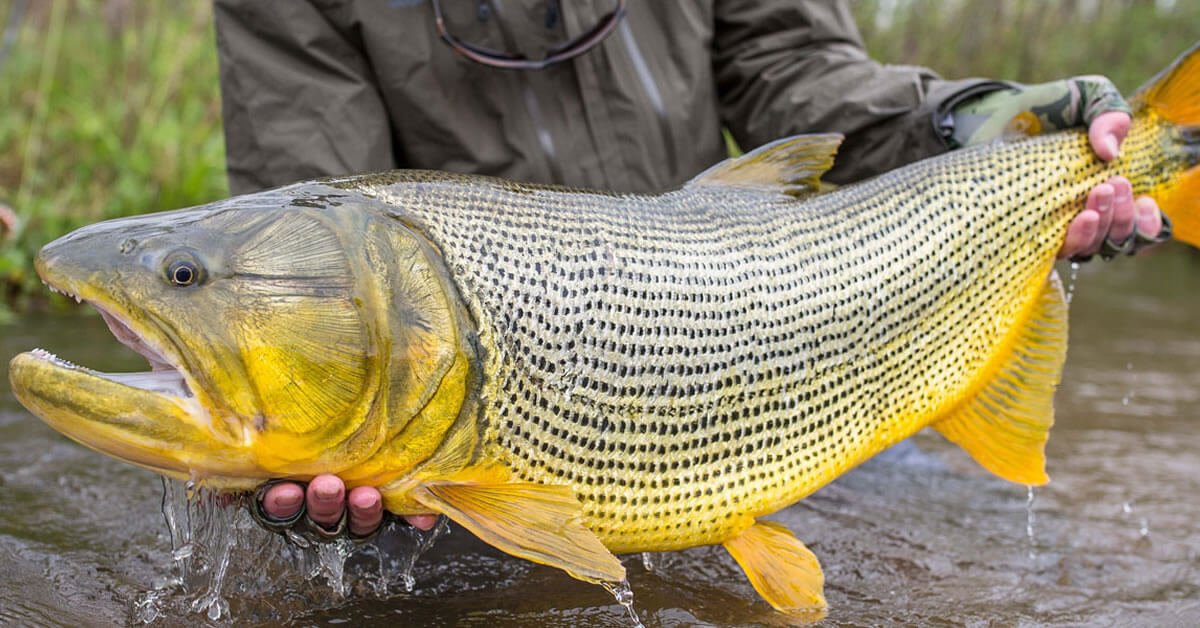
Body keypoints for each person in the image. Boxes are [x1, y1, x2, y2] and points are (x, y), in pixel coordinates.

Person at [212, 0, 1168, 540]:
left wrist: (974, 123)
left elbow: (795, 67)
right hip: (472, 408)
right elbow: (301, 226)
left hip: (737, 335)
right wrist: (275, 428)